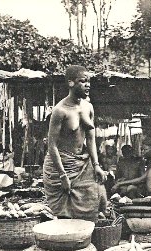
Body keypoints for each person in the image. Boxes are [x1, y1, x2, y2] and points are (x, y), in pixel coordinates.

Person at [43, 65, 107, 222]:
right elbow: (52, 145)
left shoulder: (88, 107)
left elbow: (91, 138)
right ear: (71, 83)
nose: (88, 85)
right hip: (61, 165)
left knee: (98, 197)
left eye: (89, 81)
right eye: (83, 81)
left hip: (82, 163)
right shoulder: (60, 110)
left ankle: (86, 238)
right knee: (65, 212)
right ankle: (68, 242)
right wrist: (62, 175)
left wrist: (96, 165)